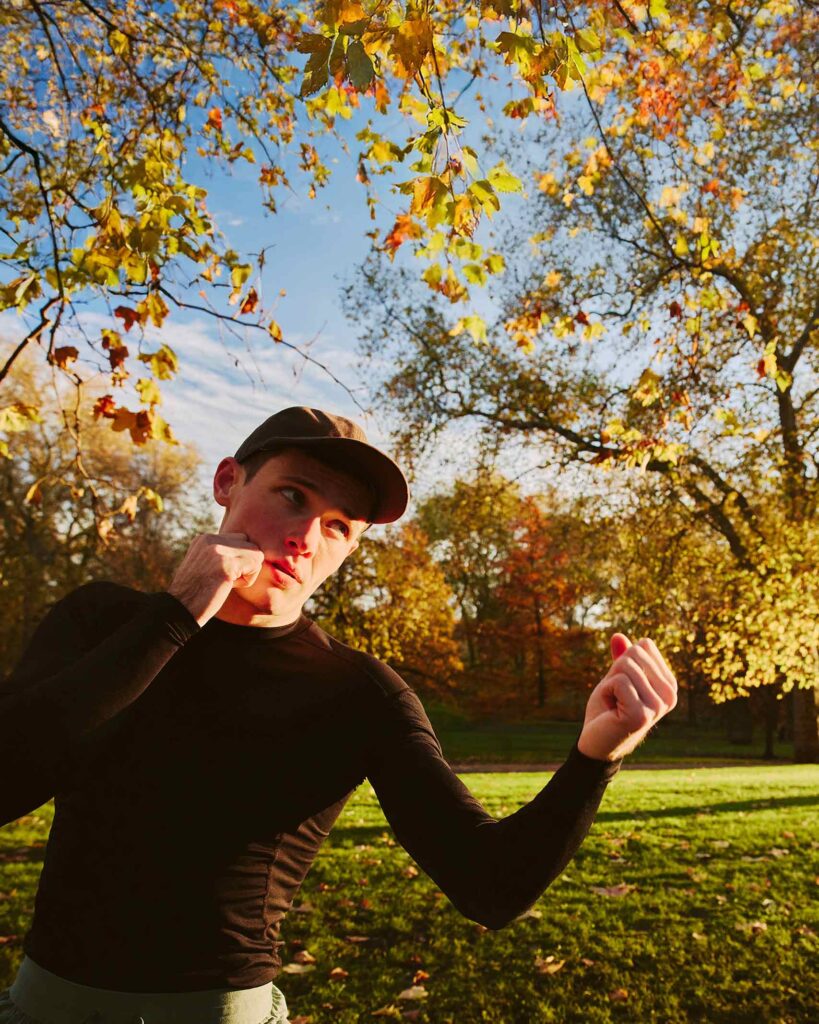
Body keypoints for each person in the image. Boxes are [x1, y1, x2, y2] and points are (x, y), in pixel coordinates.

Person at [0, 406, 678, 1024]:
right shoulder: (101, 621)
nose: (304, 538)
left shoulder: (358, 692)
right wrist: (176, 617)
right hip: (48, 1006)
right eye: (291, 496)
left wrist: (596, 756)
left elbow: (489, 885)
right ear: (227, 481)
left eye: (337, 527)